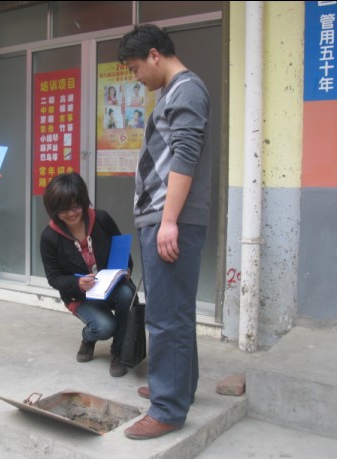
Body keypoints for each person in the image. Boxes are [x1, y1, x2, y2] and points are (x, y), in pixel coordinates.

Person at [118, 24, 212, 439]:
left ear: (154, 55)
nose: (136, 77)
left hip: (170, 219)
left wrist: (169, 220)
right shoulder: (173, 92)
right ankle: (176, 386)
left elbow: (185, 156)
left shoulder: (186, 90)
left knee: (165, 317)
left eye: (135, 68)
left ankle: (168, 409)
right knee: (174, 311)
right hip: (162, 217)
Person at [39, 172, 137, 378]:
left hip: (110, 288)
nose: (71, 213)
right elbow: (53, 278)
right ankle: (89, 337)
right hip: (80, 295)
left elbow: (120, 247)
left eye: (76, 206)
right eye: (63, 209)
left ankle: (119, 351)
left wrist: (126, 268)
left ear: (83, 201)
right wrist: (77, 283)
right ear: (53, 209)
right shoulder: (49, 237)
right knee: (105, 327)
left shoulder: (101, 219)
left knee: (128, 294)